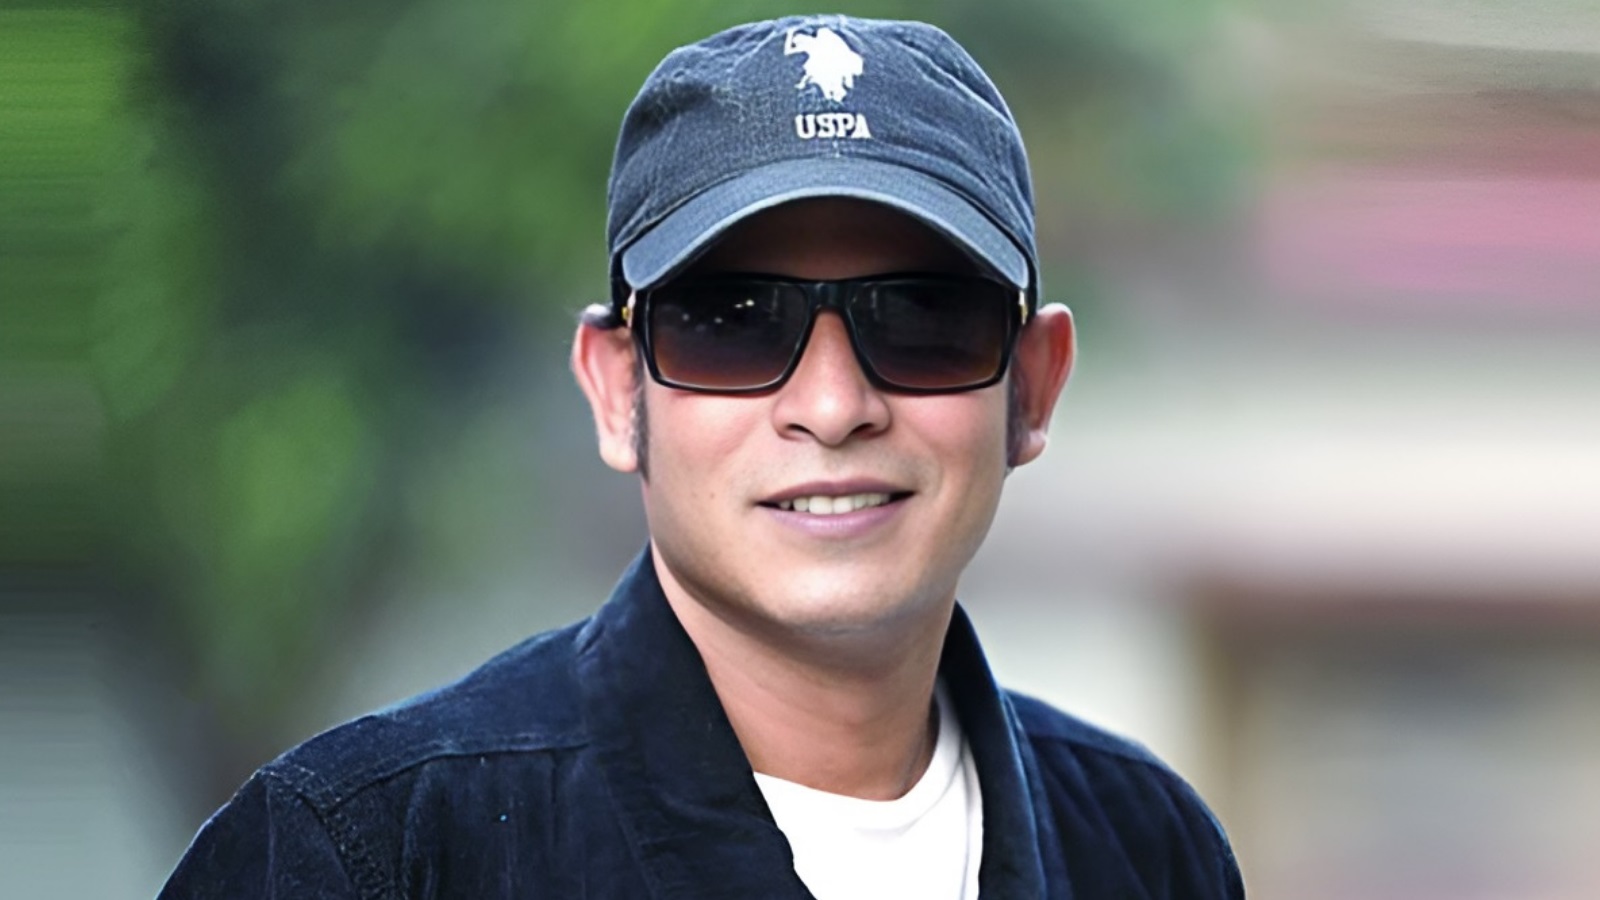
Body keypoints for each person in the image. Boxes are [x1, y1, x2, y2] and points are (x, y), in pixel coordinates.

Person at [161, 15, 1244, 899]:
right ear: (615, 390)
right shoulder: (373, 854)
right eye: (731, 323)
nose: (833, 408)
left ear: (1035, 385)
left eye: (922, 318)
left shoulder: (1146, 850)